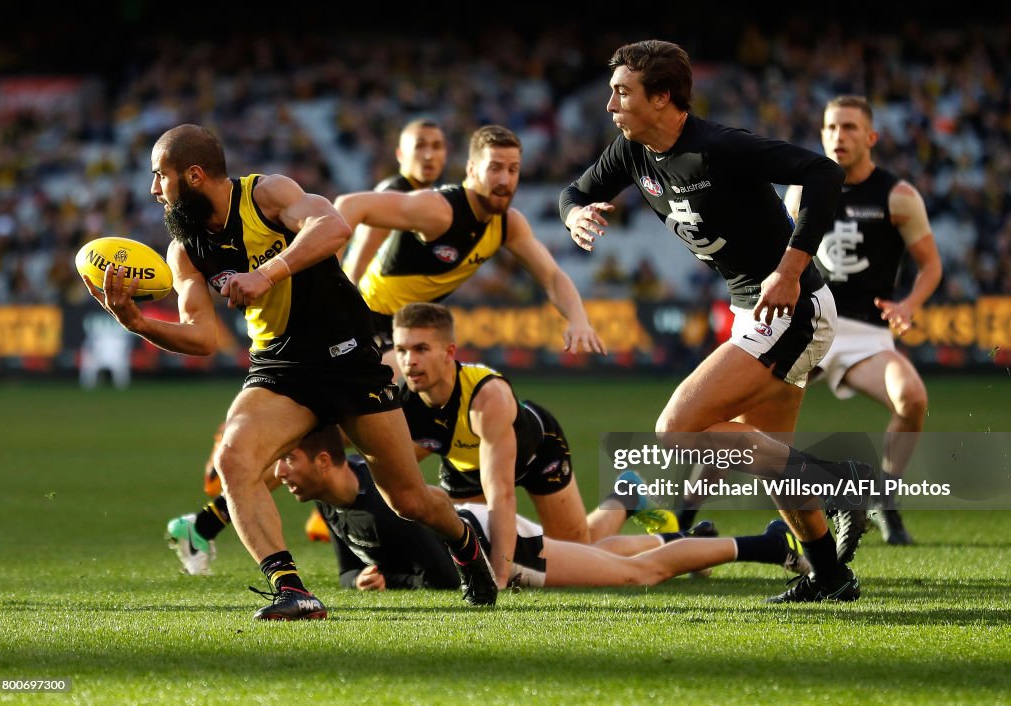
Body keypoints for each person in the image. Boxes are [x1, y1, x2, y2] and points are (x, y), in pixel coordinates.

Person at [83, 123, 498, 619]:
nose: (153, 190)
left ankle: (467, 544)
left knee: (407, 498)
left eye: (160, 177)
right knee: (234, 462)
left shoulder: (267, 194)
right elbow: (202, 337)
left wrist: (266, 272)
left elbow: (334, 227)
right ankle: (291, 590)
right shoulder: (185, 248)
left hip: (347, 357)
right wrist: (137, 323)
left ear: (193, 176)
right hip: (281, 366)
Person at [559, 40, 876, 603]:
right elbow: (576, 191)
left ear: (662, 98)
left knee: (676, 429)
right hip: (754, 308)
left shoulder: (719, 147)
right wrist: (575, 213)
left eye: (622, 92)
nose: (610, 104)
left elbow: (823, 174)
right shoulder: (633, 150)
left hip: (790, 306)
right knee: (773, 464)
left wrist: (790, 269)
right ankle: (829, 576)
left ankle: (838, 480)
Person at [276, 425, 811, 592]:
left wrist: (394, 581)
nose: (279, 473)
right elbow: (349, 573)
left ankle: (771, 545)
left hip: (495, 548)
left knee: (634, 576)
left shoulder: (386, 495)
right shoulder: (331, 501)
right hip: (484, 534)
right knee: (596, 552)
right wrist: (362, 582)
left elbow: (441, 572)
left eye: (288, 461)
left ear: (325, 460)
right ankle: (660, 521)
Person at [393, 301, 675, 588]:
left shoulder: (487, 397)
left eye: (421, 349)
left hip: (536, 455)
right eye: (401, 351)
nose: (409, 361)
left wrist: (499, 579)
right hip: (465, 466)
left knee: (578, 552)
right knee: (467, 550)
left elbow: (501, 495)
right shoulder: (402, 398)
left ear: (449, 352)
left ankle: (636, 509)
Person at [784, 95, 943, 545]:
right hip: (809, 325)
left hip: (866, 336)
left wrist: (909, 305)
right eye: (832, 127)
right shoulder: (801, 190)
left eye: (851, 127)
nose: (840, 136)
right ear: (821, 134)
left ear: (871, 137)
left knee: (911, 399)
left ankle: (884, 501)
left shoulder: (898, 195)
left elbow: (931, 265)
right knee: (741, 416)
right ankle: (686, 517)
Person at [333, 123, 608, 378]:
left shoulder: (508, 224)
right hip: (367, 321)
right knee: (409, 381)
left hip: (405, 329)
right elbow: (349, 205)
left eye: (513, 170)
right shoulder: (438, 210)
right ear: (472, 170)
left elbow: (552, 277)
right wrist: (329, 284)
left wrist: (578, 319)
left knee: (475, 394)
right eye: (495, 168)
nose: (505, 180)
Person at [341, 117, 448, 290]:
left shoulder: (432, 198)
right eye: (420, 146)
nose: (429, 155)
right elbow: (357, 267)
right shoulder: (392, 196)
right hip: (371, 303)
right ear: (400, 154)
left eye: (437, 146)